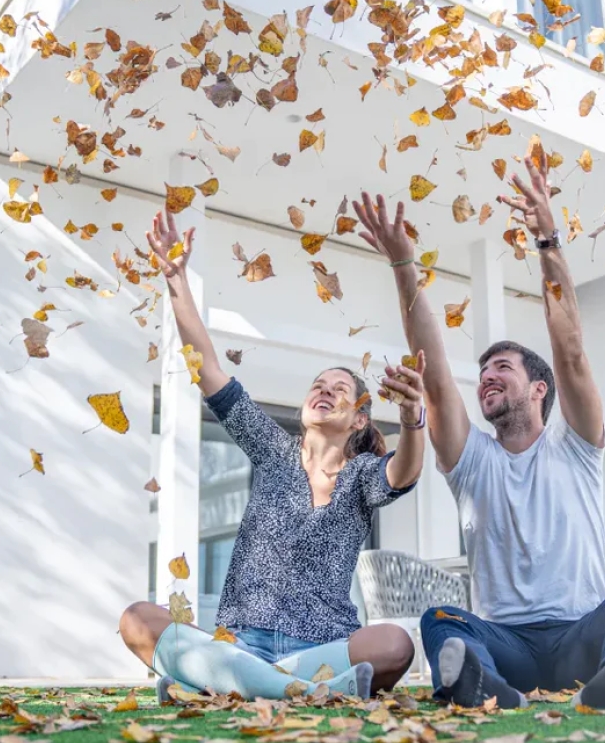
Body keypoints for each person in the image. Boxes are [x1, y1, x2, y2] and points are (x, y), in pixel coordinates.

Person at [352, 157, 605, 710]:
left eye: (503, 367)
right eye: (483, 373)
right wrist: (404, 263)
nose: (488, 378)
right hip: (511, 646)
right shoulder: (472, 460)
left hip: (579, 635)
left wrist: (547, 239)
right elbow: (432, 372)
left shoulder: (576, 443)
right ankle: (485, 688)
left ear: (540, 389)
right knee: (441, 619)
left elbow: (568, 343)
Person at [119, 210, 427, 702]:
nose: (323, 392)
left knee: (394, 643)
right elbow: (209, 369)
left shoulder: (363, 476)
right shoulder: (274, 450)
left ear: (360, 419)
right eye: (318, 386)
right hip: (239, 640)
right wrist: (176, 279)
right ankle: (298, 691)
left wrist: (413, 417)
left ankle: (224, 684)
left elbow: (404, 470)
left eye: (339, 390)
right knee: (136, 619)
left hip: (320, 647)